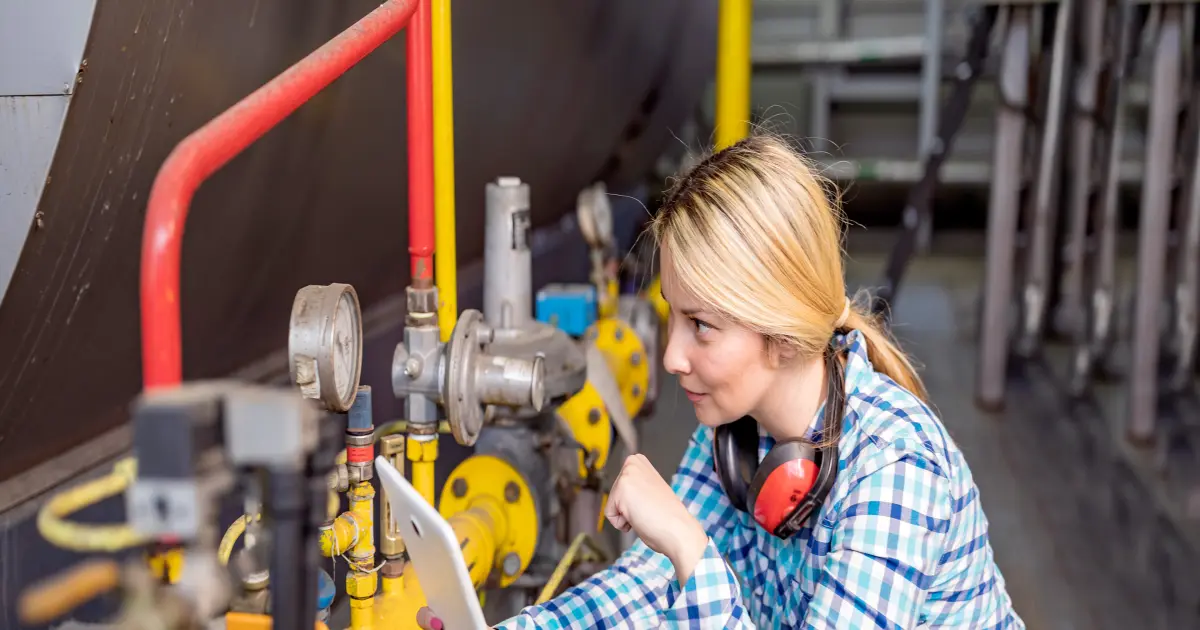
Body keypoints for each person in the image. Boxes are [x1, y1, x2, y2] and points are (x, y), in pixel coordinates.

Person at [419, 133, 1024, 629]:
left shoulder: (895, 468)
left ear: (782, 334)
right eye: (673, 317)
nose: (672, 357)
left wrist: (690, 547)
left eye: (701, 326)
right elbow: (646, 588)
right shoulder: (739, 435)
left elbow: (683, 566)